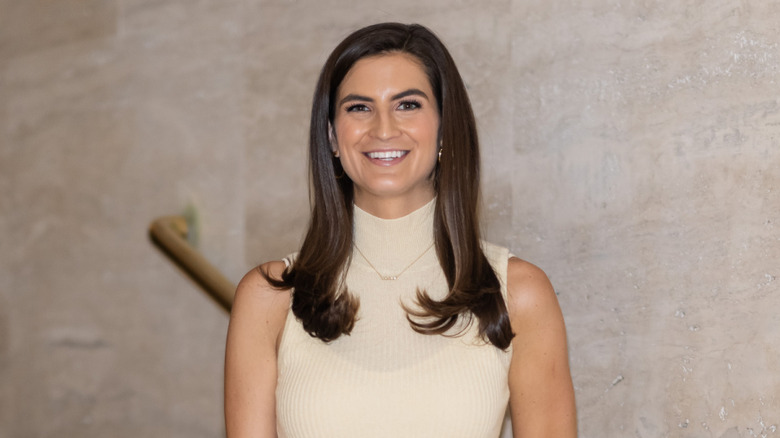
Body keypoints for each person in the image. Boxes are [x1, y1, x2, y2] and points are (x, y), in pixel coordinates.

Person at [224, 22, 576, 438]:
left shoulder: (518, 293)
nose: (384, 128)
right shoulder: (269, 299)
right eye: (359, 107)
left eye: (407, 105)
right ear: (332, 137)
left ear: (445, 127)